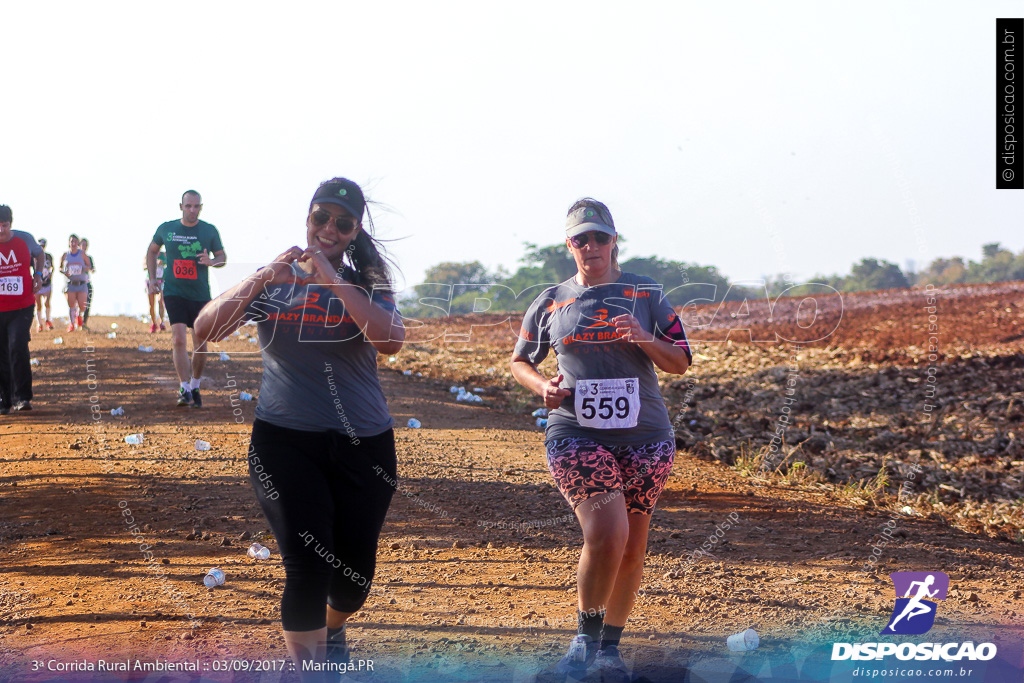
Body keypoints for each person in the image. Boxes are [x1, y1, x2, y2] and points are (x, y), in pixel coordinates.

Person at [194, 177, 405, 679]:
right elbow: (205, 330)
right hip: (284, 441)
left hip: (366, 444)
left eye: (342, 222)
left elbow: (390, 341)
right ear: (307, 219)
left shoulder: (366, 282)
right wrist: (260, 278)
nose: (329, 228)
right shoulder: (276, 283)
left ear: (353, 231)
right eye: (320, 218)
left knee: (353, 581)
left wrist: (332, 278)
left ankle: (333, 629)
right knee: (309, 568)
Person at [510, 198, 692, 678]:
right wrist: (542, 386)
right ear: (569, 245)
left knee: (632, 543)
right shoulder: (551, 299)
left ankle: (610, 647)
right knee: (607, 531)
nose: (591, 246)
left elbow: (681, 362)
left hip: (646, 434)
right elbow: (520, 361)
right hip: (575, 431)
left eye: (599, 237)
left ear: (615, 241)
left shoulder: (646, 293)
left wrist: (644, 338)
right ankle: (584, 641)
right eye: (580, 239)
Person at [146, 190, 226, 408]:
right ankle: (183, 388)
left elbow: (222, 257)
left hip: (200, 295)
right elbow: (151, 251)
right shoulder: (167, 229)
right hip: (174, 292)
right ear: (180, 206)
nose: (192, 210)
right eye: (188, 206)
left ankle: (195, 385)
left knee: (200, 343)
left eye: (196, 206)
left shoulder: (208, 230)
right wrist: (153, 279)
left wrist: (210, 261)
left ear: (201, 207)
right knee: (179, 339)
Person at [0, 205, 45, 414]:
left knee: (17, 344)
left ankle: (22, 397)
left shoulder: (24, 239)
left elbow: (40, 254)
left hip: (22, 306)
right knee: (2, 353)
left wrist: (37, 274)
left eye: (5, 226)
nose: (1, 230)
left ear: (11, 224)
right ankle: (4, 399)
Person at [59, 234, 91, 332]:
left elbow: (89, 265)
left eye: (75, 242)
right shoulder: (65, 255)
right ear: (69, 243)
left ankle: (79, 316)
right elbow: (60, 267)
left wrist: (84, 268)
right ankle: (71, 323)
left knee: (82, 305)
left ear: (78, 243)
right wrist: (65, 272)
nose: (73, 244)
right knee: (71, 304)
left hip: (81, 283)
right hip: (70, 283)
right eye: (71, 241)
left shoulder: (82, 254)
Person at [34, 238, 54, 332]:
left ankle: (48, 320)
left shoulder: (49, 256)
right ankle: (39, 323)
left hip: (46, 283)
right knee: (38, 305)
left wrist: (50, 275)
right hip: (37, 284)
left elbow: (52, 267)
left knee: (47, 302)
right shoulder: (34, 257)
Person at [146, 250, 167, 333]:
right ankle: (153, 323)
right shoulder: (149, 254)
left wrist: (163, 263)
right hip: (150, 281)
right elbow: (144, 265)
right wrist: (154, 264)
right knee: (151, 304)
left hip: (161, 281)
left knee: (161, 300)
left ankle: (161, 322)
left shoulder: (164, 255)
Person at [80, 237, 95, 329]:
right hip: (77, 283)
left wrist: (90, 268)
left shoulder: (89, 258)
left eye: (86, 245)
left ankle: (84, 323)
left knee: (87, 303)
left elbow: (92, 268)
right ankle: (76, 321)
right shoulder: (76, 257)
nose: (84, 247)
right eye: (83, 245)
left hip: (86, 282)